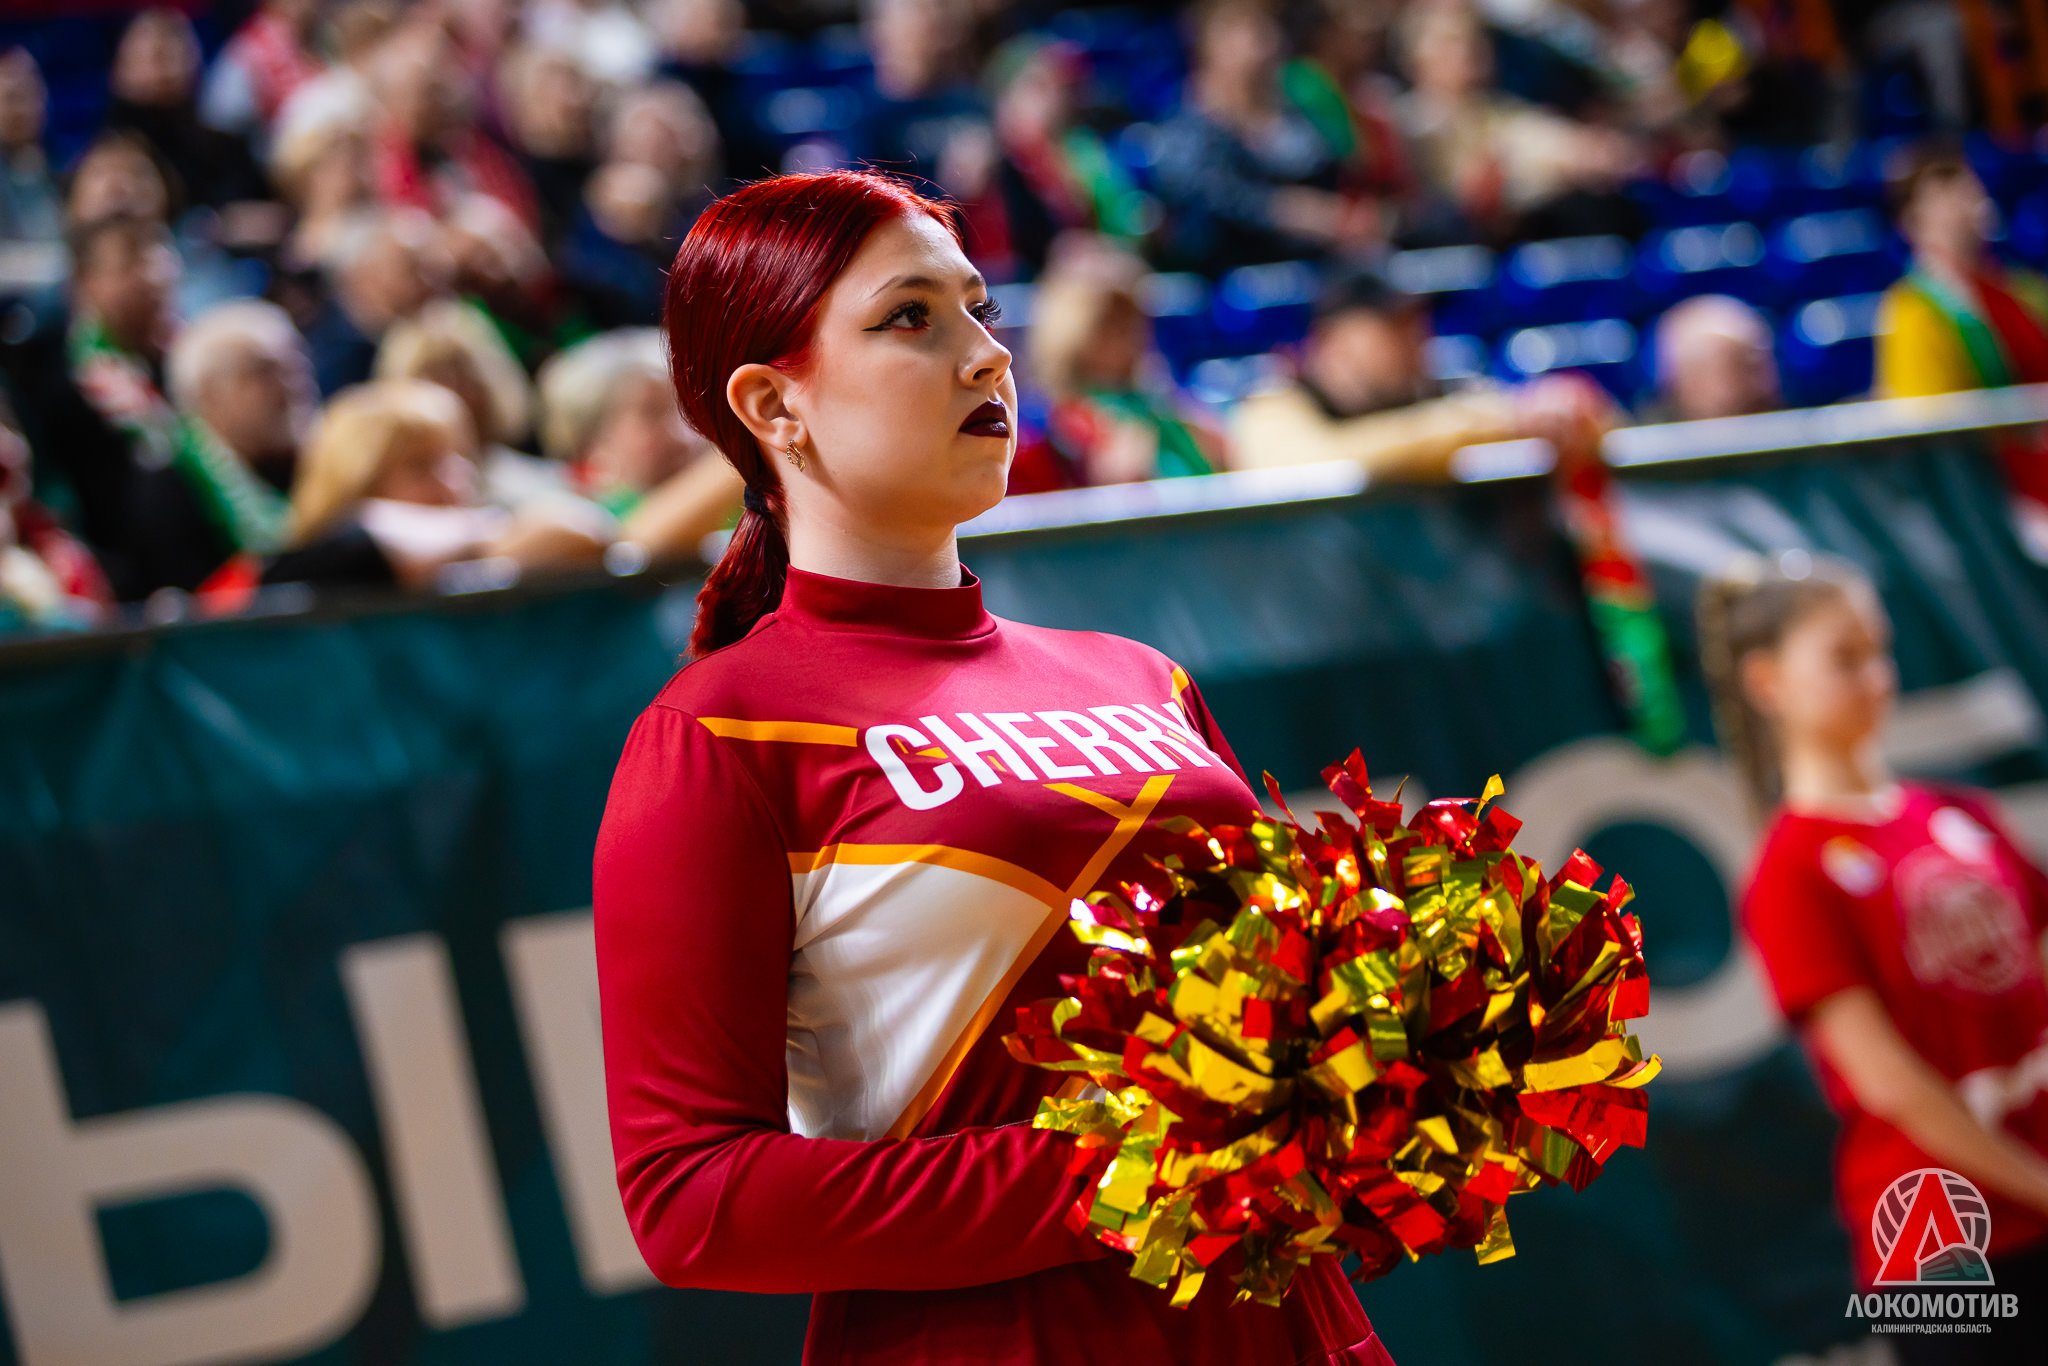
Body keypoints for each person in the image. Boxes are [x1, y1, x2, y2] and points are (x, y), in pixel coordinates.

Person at [591, 168, 1395, 1365]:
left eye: (979, 309)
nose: (987, 355)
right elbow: (690, 1199)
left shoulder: (1139, 676)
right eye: (909, 318)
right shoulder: (719, 735)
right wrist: (1117, 1164)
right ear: (771, 403)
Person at [1699, 550, 2048, 1360]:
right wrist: (2039, 1186)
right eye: (1845, 658)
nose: (1877, 677)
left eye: (1880, 651)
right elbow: (1890, 1085)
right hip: (1940, 1252)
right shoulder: (1791, 869)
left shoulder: (1962, 815)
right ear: (1767, 682)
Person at [1230, 264, 1610, 478]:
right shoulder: (1276, 401)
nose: (1415, 339)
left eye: (1416, 323)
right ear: (1332, 340)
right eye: (1391, 326)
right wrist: (1471, 426)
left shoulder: (1441, 391)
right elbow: (1304, 469)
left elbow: (1600, 429)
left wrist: (1558, 408)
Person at [1019, 239, 1228, 489]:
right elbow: (1116, 482)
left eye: (1132, 323)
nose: (1127, 338)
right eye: (1109, 326)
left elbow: (1217, 459)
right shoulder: (1068, 416)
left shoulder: (1154, 400)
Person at [1644, 294, 1783, 424]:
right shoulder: (1647, 437)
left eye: (1763, 366)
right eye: (1740, 368)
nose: (1764, 385)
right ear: (1693, 382)